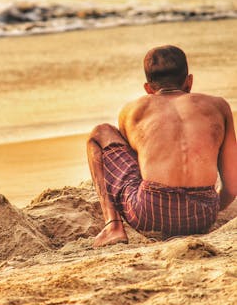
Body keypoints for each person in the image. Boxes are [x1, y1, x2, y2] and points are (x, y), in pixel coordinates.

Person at [87, 45, 236, 247]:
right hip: (203, 216)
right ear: (189, 81)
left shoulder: (132, 110)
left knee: (99, 133)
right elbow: (232, 185)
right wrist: (205, 209)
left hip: (149, 212)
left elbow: (136, 166)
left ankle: (112, 226)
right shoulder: (219, 106)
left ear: (148, 89)